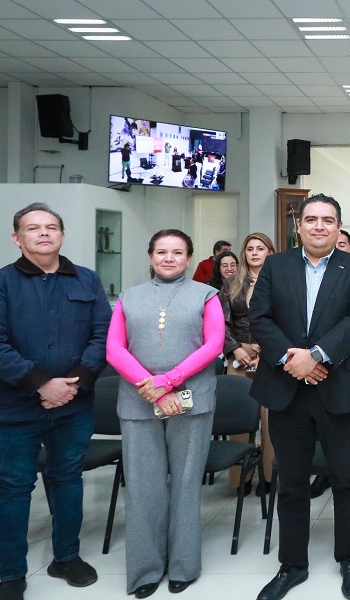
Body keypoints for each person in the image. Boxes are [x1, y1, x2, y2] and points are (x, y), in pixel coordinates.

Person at [0, 203, 111, 600]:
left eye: (52, 227)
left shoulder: (86, 280)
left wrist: (75, 385)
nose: (44, 234)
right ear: (17, 239)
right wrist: (41, 384)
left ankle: (66, 557)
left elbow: (102, 335)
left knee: (67, 479)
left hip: (73, 405)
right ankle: (12, 574)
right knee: (14, 487)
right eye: (33, 228)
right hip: (14, 409)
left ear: (63, 236)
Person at [250, 194, 350, 600]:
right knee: (291, 481)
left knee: (346, 477)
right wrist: (293, 359)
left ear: (339, 227)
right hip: (287, 390)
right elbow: (260, 319)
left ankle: (349, 558)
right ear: (298, 226)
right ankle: (293, 564)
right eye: (312, 219)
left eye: (328, 220)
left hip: (339, 386)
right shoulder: (275, 264)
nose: (319, 226)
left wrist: (317, 356)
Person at [105, 229, 224, 598]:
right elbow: (113, 349)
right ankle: (144, 571)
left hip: (190, 400)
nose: (168, 258)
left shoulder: (207, 295)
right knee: (143, 489)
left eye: (177, 252)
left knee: (187, 485)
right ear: (150, 256)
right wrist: (150, 384)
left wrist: (169, 381)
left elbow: (214, 343)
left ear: (189, 258)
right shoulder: (129, 297)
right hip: (139, 401)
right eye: (161, 251)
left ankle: (183, 566)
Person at [220, 233, 277, 487]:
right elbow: (219, 324)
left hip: (272, 356)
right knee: (238, 418)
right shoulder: (231, 282)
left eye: (260, 248)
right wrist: (234, 349)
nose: (254, 253)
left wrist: (269, 351)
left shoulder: (281, 281)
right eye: (250, 248)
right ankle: (239, 479)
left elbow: (288, 321)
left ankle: (270, 476)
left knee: (271, 420)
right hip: (239, 355)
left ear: (270, 252)